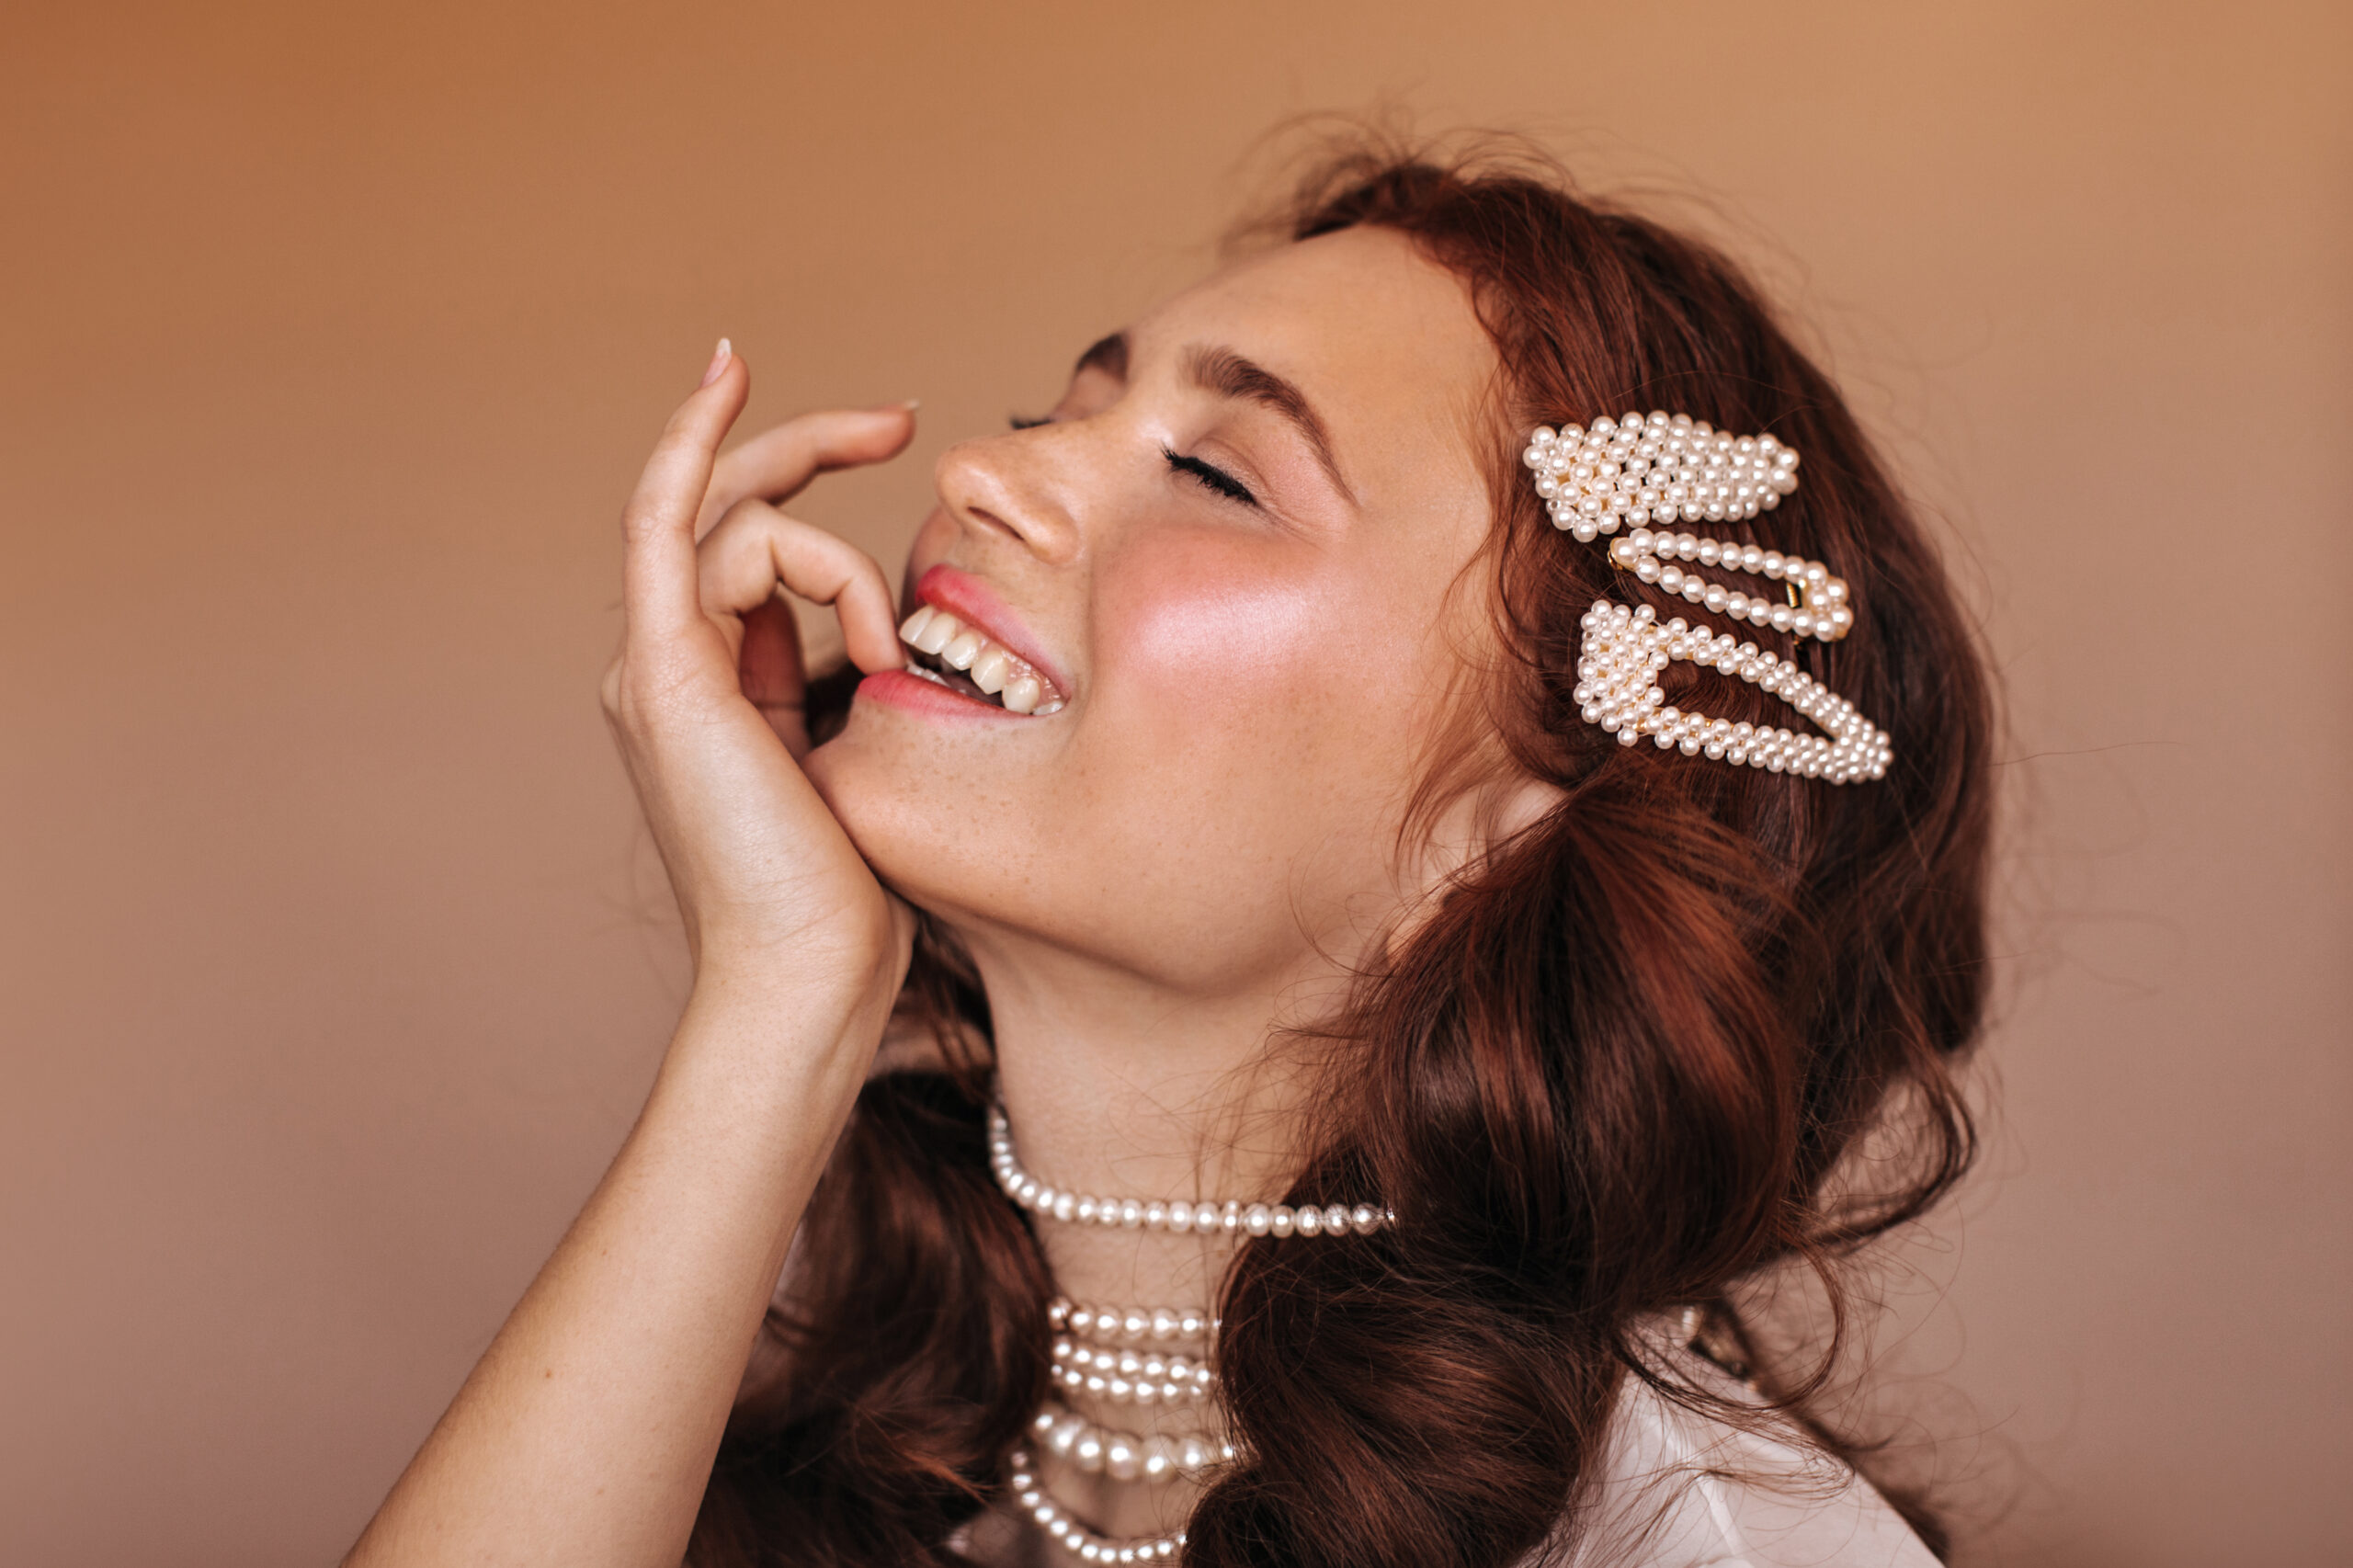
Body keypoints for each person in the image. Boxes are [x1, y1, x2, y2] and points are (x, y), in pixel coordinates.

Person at [346, 138, 1993, 1568]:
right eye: (1046, 409)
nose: (980, 473)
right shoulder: (879, 1453)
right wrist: (776, 1002)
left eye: (1216, 473)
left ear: (1533, 821)